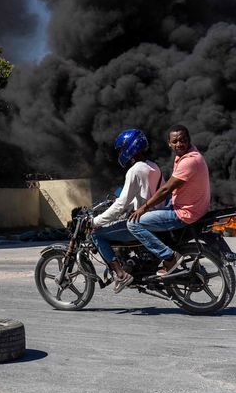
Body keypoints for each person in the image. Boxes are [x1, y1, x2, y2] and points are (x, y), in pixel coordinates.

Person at [125, 125, 211, 278]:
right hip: (193, 207)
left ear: (189, 140)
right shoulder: (191, 154)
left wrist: (143, 208)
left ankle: (169, 258)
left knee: (133, 223)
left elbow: (166, 190)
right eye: (175, 141)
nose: (179, 144)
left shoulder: (189, 161)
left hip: (184, 213)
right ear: (169, 144)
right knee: (151, 214)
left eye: (183, 140)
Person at [89, 129, 162, 293]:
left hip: (144, 221)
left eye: (122, 149)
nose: (121, 153)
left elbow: (121, 205)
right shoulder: (153, 166)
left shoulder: (135, 170)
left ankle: (121, 275)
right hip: (157, 217)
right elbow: (146, 194)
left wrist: (95, 221)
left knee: (97, 234)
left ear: (129, 147)